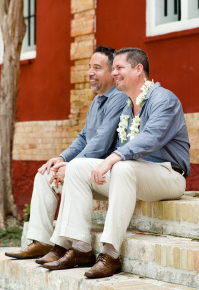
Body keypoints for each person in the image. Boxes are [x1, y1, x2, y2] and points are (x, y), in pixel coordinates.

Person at [37, 47, 190, 278]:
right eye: (114, 68)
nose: (115, 73)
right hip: (132, 175)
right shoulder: (129, 105)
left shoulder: (163, 99)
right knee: (77, 168)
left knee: (123, 166)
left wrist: (111, 160)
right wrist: (75, 163)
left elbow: (152, 137)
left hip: (168, 175)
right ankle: (80, 248)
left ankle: (110, 254)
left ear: (139, 70)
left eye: (120, 68)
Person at [5, 46, 127, 262]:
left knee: (68, 174)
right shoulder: (97, 101)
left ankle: (64, 246)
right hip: (86, 170)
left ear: (111, 72)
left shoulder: (118, 98)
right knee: (44, 174)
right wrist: (61, 159)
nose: (90, 72)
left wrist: (70, 167)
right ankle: (40, 241)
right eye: (89, 67)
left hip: (102, 172)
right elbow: (83, 137)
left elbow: (101, 143)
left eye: (97, 68)